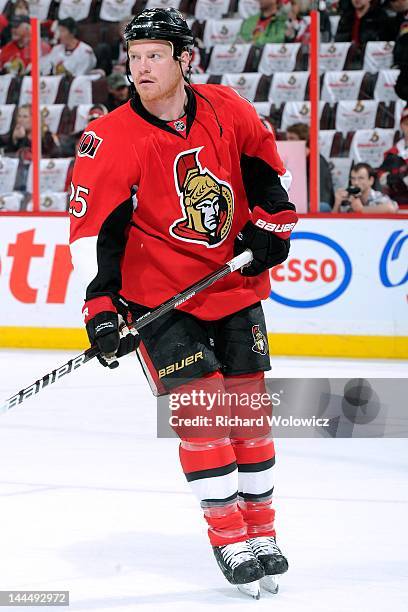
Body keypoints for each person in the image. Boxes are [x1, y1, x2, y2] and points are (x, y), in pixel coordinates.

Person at [69, 7, 297, 599]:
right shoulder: (109, 138)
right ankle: (229, 536)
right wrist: (101, 309)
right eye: (134, 57)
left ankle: (263, 531)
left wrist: (272, 227)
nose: (140, 68)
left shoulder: (229, 109)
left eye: (154, 56)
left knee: (247, 415)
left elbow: (269, 177)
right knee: (203, 417)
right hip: (160, 302)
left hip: (233, 286)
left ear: (184, 60)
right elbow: (96, 236)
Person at [286, 123, 335, 211]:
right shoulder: (291, 160)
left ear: (304, 140)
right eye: (287, 139)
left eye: (292, 139)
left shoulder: (317, 162)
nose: (288, 142)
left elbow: (322, 196)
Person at [332, 162, 398, 212]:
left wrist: (361, 209)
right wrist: (337, 203)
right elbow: (333, 224)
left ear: (371, 180)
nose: (356, 182)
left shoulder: (378, 197)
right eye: (353, 178)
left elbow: (391, 208)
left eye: (361, 178)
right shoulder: (348, 197)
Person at [377, 107, 408, 206]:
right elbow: (382, 179)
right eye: (407, 124)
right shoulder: (392, 153)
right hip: (397, 203)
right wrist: (394, 178)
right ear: (402, 126)